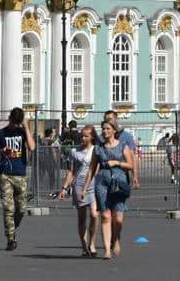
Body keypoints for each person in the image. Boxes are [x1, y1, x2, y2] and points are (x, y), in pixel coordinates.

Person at [85, 120, 134, 260]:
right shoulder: (98, 148)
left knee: (118, 218)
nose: (105, 131)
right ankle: (107, 249)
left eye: (108, 128)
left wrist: (117, 162)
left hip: (119, 182)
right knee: (106, 216)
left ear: (114, 130)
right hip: (102, 182)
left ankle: (116, 238)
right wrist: (85, 188)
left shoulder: (122, 146)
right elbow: (91, 169)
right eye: (103, 129)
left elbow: (131, 164)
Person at [0, 107, 36, 251]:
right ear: (10, 119)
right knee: (8, 208)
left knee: (22, 209)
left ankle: (12, 227)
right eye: (15, 122)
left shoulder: (22, 131)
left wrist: (26, 127)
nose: (16, 125)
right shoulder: (0, 134)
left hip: (20, 173)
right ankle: (11, 238)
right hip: (6, 174)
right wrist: (1, 152)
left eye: (19, 123)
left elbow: (32, 147)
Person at [59, 124, 98, 257]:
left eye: (86, 136)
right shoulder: (74, 152)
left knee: (94, 215)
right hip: (78, 185)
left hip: (93, 185)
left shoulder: (96, 150)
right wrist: (64, 188)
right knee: (82, 218)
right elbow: (71, 172)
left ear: (92, 137)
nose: (83, 138)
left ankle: (92, 243)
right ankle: (83, 245)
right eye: (82, 135)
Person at [102, 110, 140, 189]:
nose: (108, 121)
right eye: (106, 120)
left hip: (121, 175)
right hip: (104, 176)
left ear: (116, 119)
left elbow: (132, 157)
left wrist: (135, 175)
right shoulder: (101, 138)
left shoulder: (126, 136)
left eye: (110, 119)